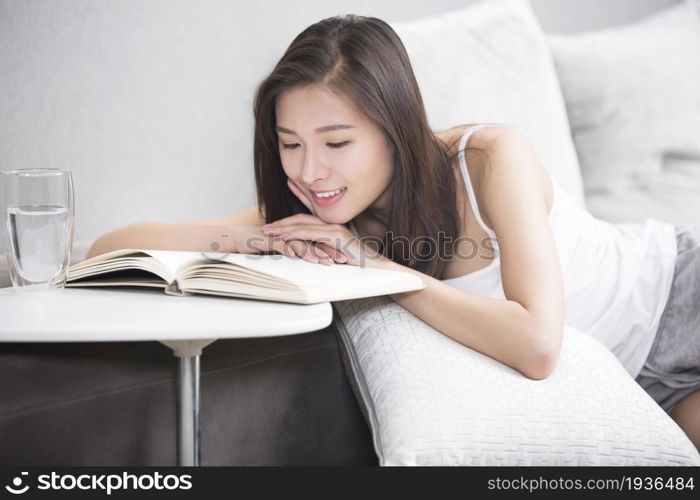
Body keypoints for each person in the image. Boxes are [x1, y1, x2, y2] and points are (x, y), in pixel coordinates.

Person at [86, 14, 699, 451]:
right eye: (289, 144)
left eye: (337, 142)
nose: (309, 171)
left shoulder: (488, 159)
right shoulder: (323, 209)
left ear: (394, 126)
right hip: (632, 385)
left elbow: (539, 345)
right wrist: (258, 237)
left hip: (678, 294)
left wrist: (377, 270)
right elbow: (111, 246)